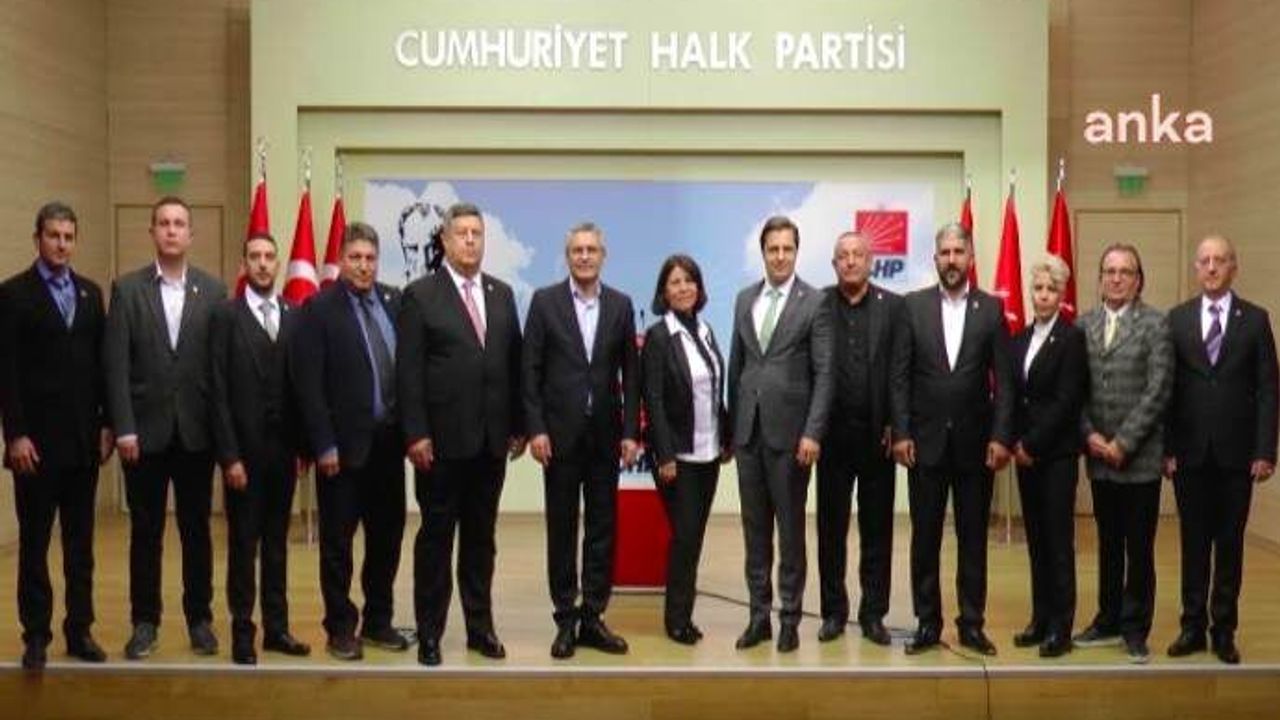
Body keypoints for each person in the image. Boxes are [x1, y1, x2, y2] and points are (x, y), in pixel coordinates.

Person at [397, 202, 525, 667]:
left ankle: (480, 629)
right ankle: (430, 633)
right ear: (445, 241)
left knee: (480, 540)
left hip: (491, 444)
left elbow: (513, 365)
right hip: (440, 446)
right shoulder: (421, 295)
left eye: (477, 233)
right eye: (462, 233)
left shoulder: (502, 294)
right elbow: (408, 373)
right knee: (436, 541)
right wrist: (415, 434)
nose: (470, 241)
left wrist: (518, 425)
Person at [103, 196, 226, 660]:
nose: (172, 230)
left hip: (196, 433)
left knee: (197, 531)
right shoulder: (127, 289)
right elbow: (116, 366)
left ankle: (200, 620)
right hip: (144, 436)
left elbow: (219, 368)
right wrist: (123, 428)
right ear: (152, 231)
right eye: (164, 223)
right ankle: (144, 622)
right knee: (146, 533)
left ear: (191, 234)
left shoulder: (213, 291)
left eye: (179, 224)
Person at [890, 222, 1013, 657]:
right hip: (922, 445)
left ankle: (971, 624)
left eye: (959, 252)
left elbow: (1005, 383)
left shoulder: (992, 309)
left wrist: (1001, 436)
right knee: (925, 539)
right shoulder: (913, 307)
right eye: (945, 253)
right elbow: (899, 377)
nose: (952, 260)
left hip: (976, 447)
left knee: (973, 539)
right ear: (935, 259)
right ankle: (928, 623)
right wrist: (901, 432)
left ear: (971, 258)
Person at [0, 202, 111, 669]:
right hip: (35, 448)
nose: (61, 244)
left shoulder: (90, 294)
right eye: (53, 235)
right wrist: (15, 435)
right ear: (38, 238)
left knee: (80, 546)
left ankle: (79, 630)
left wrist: (106, 423)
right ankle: (36, 634)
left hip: (83, 444)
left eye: (68, 236)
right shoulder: (13, 295)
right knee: (35, 544)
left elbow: (102, 367)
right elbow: (6, 373)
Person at [291, 222, 408, 661]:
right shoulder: (318, 309)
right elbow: (309, 385)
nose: (363, 266)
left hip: (389, 447)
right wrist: (323, 445)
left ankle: (378, 620)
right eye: (355, 257)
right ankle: (340, 627)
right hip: (341, 451)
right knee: (338, 545)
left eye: (370, 258)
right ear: (341, 260)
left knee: (387, 539)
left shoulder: (395, 303)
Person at [523, 222, 639, 659]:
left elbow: (632, 374)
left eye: (592, 249)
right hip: (558, 437)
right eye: (577, 250)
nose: (585, 256)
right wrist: (536, 428)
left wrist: (631, 432)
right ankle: (565, 618)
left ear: (603, 256)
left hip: (606, 437)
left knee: (602, 528)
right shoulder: (545, 302)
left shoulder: (621, 305)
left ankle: (592, 615)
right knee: (562, 527)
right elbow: (530, 371)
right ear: (567, 256)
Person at [1164, 235, 1277, 665]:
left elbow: (1268, 391)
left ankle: (1224, 630)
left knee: (1229, 545)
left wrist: (1265, 450)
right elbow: (1168, 391)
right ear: (1196, 268)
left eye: (1220, 260)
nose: (1211, 268)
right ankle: (1191, 626)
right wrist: (1166, 448)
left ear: (1234, 267)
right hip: (1189, 454)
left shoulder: (1256, 320)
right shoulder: (1177, 319)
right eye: (1205, 261)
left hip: (1237, 456)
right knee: (1193, 544)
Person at [727, 215, 833, 653]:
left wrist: (813, 432)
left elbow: (825, 373)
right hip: (748, 435)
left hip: (792, 439)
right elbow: (737, 367)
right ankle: (759, 617)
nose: (780, 256)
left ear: (796, 252)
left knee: (790, 533)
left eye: (787, 249)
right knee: (755, 532)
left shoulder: (815, 302)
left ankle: (790, 617)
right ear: (763, 252)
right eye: (773, 249)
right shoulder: (744, 299)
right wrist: (731, 429)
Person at [209, 232, 311, 664]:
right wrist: (229, 456)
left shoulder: (294, 315)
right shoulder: (225, 316)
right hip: (243, 458)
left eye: (270, 257)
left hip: (283, 456)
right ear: (244, 264)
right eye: (255, 256)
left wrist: (304, 449)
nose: (264, 264)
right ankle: (242, 633)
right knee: (243, 545)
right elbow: (216, 391)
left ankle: (277, 629)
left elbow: (302, 388)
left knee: (276, 545)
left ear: (278, 263)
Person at [1074, 242, 1172, 664]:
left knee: (1139, 548)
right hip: (1099, 458)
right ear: (1100, 279)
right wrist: (1090, 435)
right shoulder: (1082, 325)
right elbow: (1074, 389)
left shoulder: (1156, 324)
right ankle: (1108, 618)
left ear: (1138, 280)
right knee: (1108, 543)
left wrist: (1123, 442)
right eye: (1109, 271)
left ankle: (1135, 628)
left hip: (1139, 460)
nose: (1116, 278)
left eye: (1125, 272)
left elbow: (1159, 390)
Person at [815, 231, 903, 646]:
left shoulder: (894, 307)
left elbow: (901, 371)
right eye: (843, 256)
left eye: (858, 255)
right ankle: (833, 613)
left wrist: (897, 424)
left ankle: (873, 615)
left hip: (877, 439)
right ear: (834, 264)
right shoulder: (818, 304)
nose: (850, 261)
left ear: (871, 262)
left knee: (877, 531)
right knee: (830, 531)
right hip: (831, 439)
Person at [641, 255, 730, 645]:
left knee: (693, 538)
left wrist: (726, 438)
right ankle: (676, 620)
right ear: (664, 291)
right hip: (677, 458)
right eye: (675, 282)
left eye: (689, 280)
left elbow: (714, 389)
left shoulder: (705, 330)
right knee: (685, 537)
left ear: (699, 287)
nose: (683, 288)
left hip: (709, 453)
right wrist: (664, 455)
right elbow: (653, 399)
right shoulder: (660, 336)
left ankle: (684, 614)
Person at [1009, 256, 1087, 658]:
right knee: (1036, 542)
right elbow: (1014, 397)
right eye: (1038, 288)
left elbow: (1066, 401)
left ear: (1061, 295)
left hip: (1055, 456)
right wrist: (1015, 442)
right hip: (1025, 457)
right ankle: (1040, 620)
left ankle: (1061, 627)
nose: (1042, 295)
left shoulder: (1072, 339)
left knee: (1058, 543)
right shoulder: (1020, 338)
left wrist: (1031, 444)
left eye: (1051, 289)